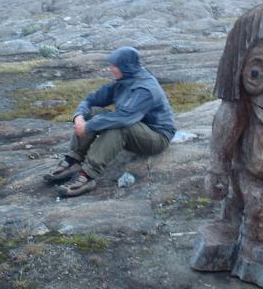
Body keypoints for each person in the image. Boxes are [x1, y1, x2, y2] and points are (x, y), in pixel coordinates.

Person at [44, 46, 176, 197]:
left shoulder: (145, 89)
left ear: (126, 67)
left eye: (114, 66)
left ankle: (88, 175)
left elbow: (123, 118)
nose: (110, 68)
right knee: (93, 112)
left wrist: (89, 126)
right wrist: (79, 116)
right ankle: (73, 160)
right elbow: (91, 100)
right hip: (136, 128)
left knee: (118, 127)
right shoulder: (123, 81)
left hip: (157, 136)